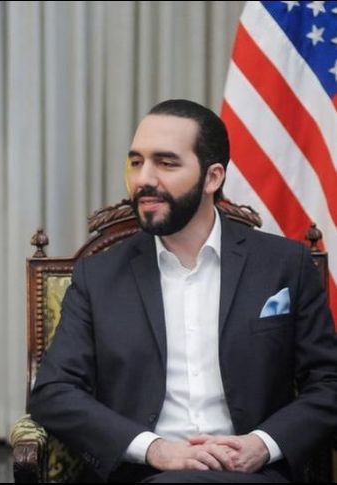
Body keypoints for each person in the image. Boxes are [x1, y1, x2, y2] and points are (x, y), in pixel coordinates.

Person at [28, 99, 337, 483]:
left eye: (166, 163)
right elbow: (53, 392)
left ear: (212, 178)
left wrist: (263, 443)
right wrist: (155, 449)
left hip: (254, 476)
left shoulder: (284, 265)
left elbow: (329, 384)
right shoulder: (99, 276)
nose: (144, 178)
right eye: (136, 162)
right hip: (144, 475)